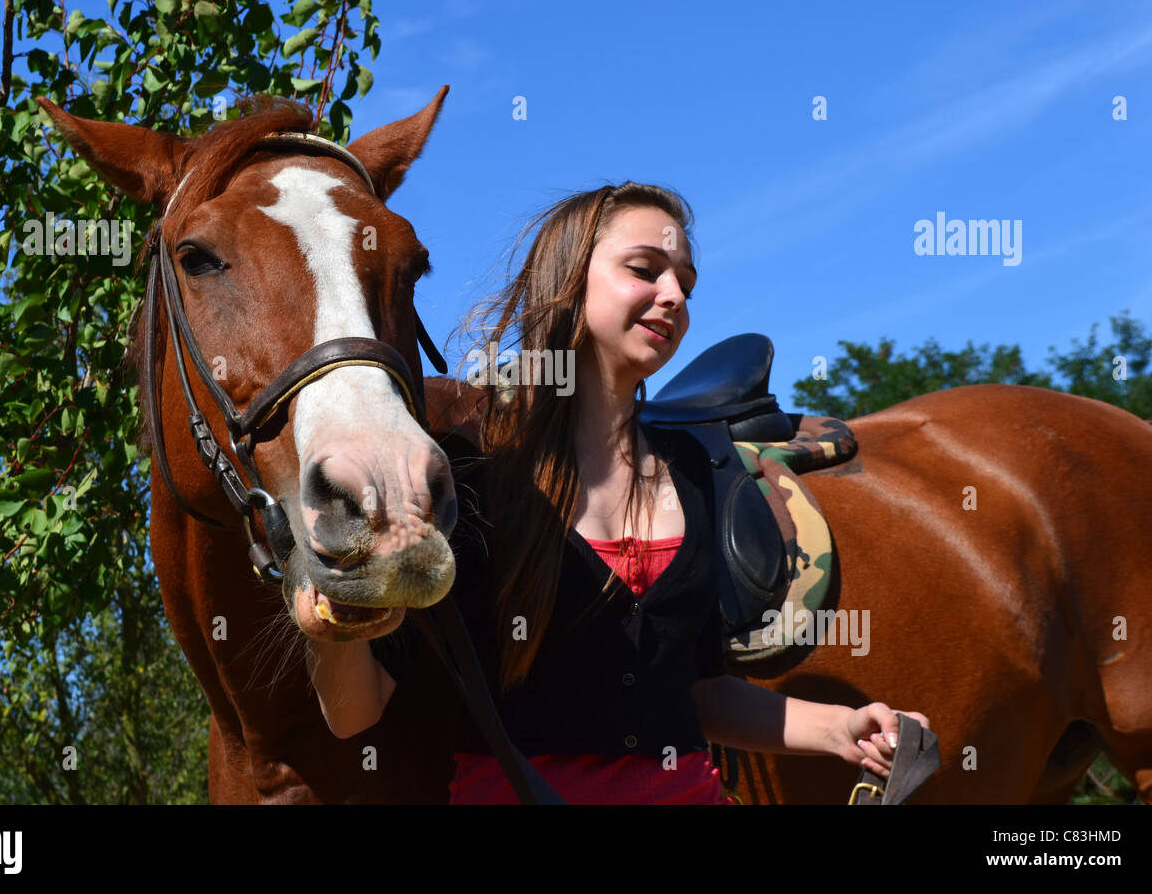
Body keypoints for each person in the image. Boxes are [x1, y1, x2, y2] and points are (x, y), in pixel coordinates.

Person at [308, 181, 930, 804]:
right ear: (569, 278)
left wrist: (841, 730)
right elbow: (353, 712)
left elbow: (700, 694)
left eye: (686, 282)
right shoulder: (476, 478)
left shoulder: (695, 466)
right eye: (645, 270)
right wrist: (324, 618)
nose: (674, 296)